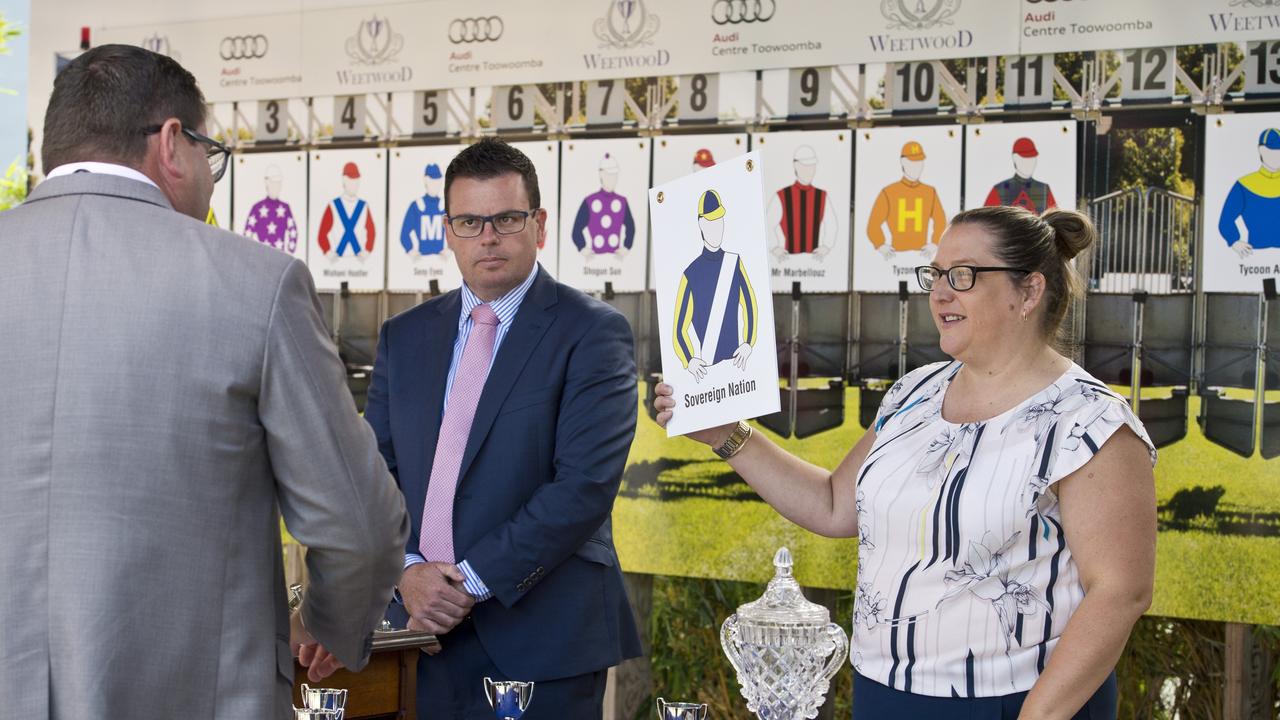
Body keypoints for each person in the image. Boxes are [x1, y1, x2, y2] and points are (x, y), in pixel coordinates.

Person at [0, 45, 409, 718]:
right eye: (210, 156)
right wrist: (330, 625)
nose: (211, 181)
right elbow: (357, 524)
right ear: (171, 143)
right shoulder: (257, 285)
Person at [655, 205, 1157, 719]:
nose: (940, 293)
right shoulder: (914, 392)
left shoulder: (1092, 421)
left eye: (963, 276)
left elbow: (1121, 592)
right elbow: (834, 505)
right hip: (883, 694)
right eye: (935, 275)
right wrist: (728, 435)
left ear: (1028, 292)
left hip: (1016, 704)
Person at [364, 137, 642, 719]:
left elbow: (583, 486)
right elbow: (375, 475)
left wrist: (466, 582)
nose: (487, 236)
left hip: (541, 638)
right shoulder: (403, 336)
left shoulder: (593, 334)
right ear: (448, 231)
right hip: (416, 634)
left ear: (539, 226)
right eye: (469, 221)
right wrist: (407, 572)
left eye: (506, 218)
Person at [673, 189, 758, 382]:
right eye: (711, 222)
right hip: (708, 373)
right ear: (701, 224)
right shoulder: (690, 274)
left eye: (719, 221)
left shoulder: (734, 263)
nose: (717, 227)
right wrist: (689, 360)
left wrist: (748, 343)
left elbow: (750, 304)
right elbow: (679, 329)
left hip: (737, 369)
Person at [867, 140, 946, 262]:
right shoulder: (888, 192)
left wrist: (935, 243)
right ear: (903, 162)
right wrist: (881, 245)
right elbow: (873, 225)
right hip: (895, 257)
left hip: (924, 257)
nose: (917, 167)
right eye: (912, 162)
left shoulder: (930, 192)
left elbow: (941, 221)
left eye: (920, 162)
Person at [1217, 127, 1280, 259]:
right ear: (1261, 150)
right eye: (1272, 150)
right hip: (1255, 258)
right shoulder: (1244, 185)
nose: (1277, 154)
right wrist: (1234, 240)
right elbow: (1225, 220)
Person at [767, 144, 836, 260]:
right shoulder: (782, 195)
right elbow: (767, 224)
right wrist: (774, 248)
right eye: (805, 166)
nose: (809, 171)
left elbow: (832, 224)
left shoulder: (822, 196)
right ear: (796, 166)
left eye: (812, 167)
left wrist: (826, 246)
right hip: (788, 261)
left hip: (814, 262)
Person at [570, 151, 636, 261]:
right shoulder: (589, 201)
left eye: (615, 175)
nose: (613, 179)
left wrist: (627, 247)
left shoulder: (622, 201)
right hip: (594, 259)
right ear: (601, 175)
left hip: (617, 258)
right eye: (609, 175)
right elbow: (576, 229)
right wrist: (582, 248)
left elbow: (631, 226)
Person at [317, 161, 376, 258]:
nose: (355, 183)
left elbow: (371, 231)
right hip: (336, 265)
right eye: (351, 179)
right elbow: (322, 234)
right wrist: (328, 252)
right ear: (344, 180)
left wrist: (367, 251)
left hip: (359, 264)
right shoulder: (333, 206)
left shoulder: (364, 206)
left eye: (356, 179)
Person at [984, 137, 1058, 214]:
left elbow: (1055, 220)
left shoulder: (1044, 189)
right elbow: (984, 220)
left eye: (1032, 158)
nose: (1030, 163)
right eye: (1025, 158)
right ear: (1014, 158)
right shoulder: (999, 189)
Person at [243, 164, 301, 255]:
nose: (276, 186)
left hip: (281, 257)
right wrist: (250, 254)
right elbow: (247, 233)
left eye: (279, 183)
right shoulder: (257, 208)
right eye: (274, 183)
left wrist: (291, 248)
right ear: (267, 182)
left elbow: (293, 230)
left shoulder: (285, 208)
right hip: (261, 256)